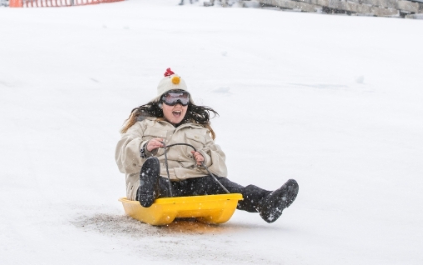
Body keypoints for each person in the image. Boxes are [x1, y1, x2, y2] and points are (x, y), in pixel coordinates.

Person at [115, 69, 299, 223]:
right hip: (162, 177)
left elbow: (220, 164)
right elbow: (122, 153)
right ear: (161, 102)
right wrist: (145, 147)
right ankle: (149, 190)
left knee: (222, 185)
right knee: (158, 183)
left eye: (183, 98)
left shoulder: (198, 130)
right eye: (171, 98)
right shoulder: (144, 125)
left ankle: (266, 203)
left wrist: (206, 158)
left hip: (192, 181)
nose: (178, 104)